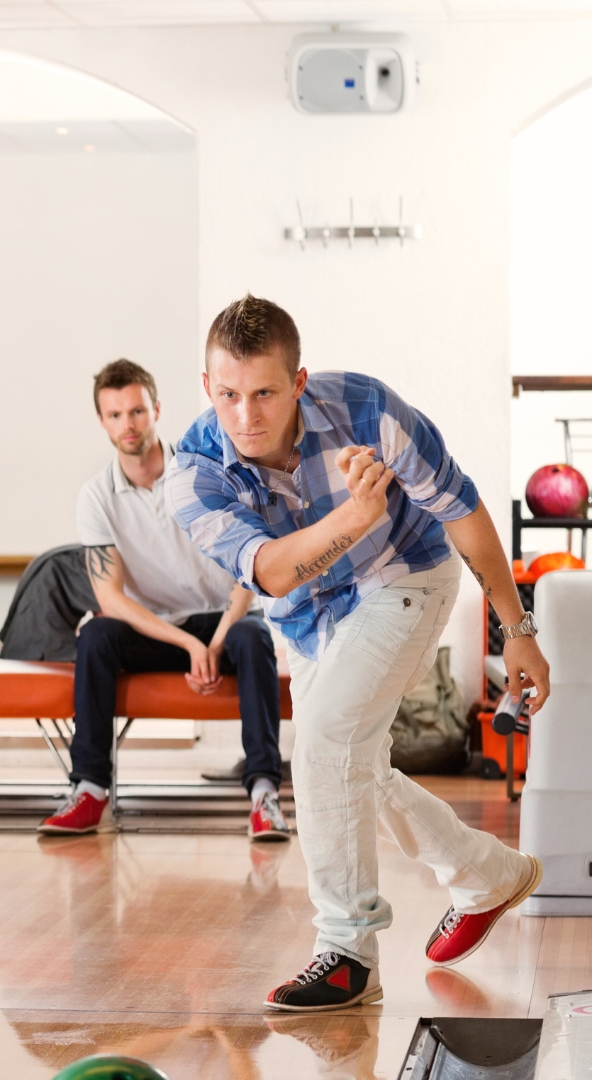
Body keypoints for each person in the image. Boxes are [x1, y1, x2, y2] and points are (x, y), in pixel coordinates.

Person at [167, 295, 550, 1012]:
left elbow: (462, 511)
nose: (245, 415)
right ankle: (488, 874)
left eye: (264, 393)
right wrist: (353, 514)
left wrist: (518, 629)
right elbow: (273, 572)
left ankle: (346, 951)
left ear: (299, 382)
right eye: (227, 394)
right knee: (353, 772)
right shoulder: (193, 472)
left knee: (322, 746)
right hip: (304, 615)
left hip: (403, 576)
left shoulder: (368, 409)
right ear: (206, 387)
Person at [40, 359, 289, 841]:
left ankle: (264, 794)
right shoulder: (96, 497)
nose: (127, 425)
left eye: (136, 411)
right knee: (95, 633)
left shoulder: (203, 470)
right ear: (102, 421)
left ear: (156, 409)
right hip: (158, 630)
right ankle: (90, 788)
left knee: (254, 635)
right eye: (114, 415)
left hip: (226, 620)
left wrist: (212, 643)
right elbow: (110, 598)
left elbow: (251, 564)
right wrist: (188, 646)